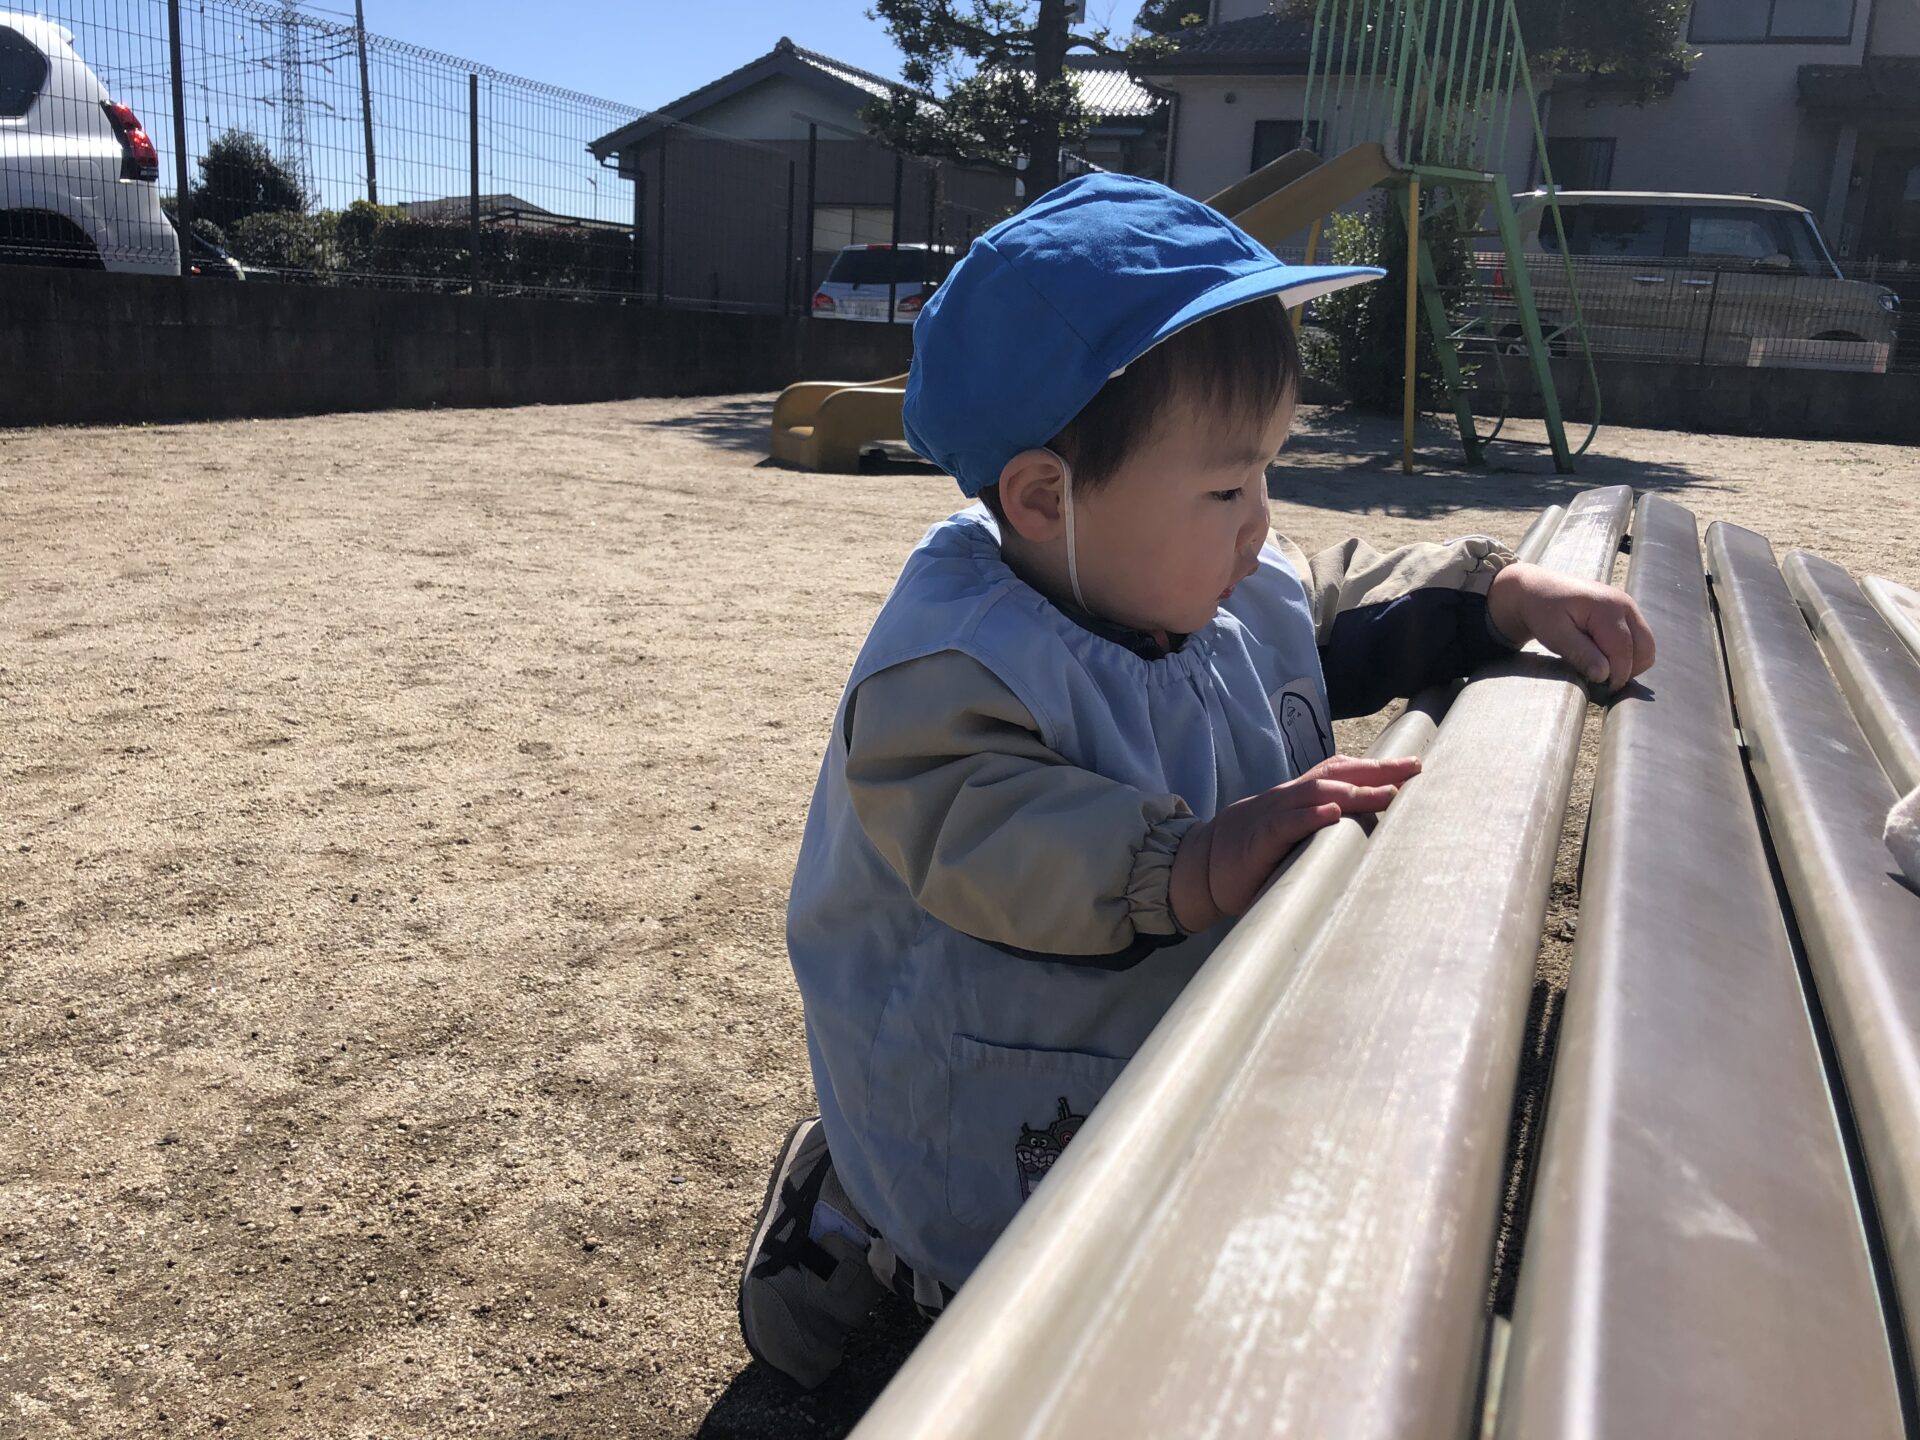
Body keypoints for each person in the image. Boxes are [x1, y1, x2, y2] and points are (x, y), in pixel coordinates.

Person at [738, 174, 1655, 1389]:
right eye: (1226, 487)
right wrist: (1183, 860)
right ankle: (847, 1226)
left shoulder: (1218, 581)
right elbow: (982, 832)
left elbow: (1338, 604)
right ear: (1044, 497)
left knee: (1143, 1203)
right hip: (987, 1058)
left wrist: (1495, 595)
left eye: (1267, 472)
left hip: (1146, 1028)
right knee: (999, 1275)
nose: (1257, 522)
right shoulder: (955, 666)